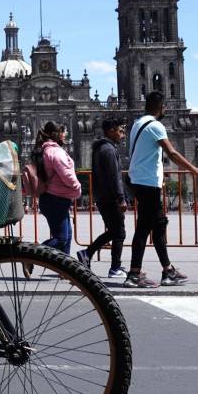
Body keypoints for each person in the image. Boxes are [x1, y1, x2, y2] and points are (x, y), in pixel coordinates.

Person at [125, 91, 198, 288]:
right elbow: (172, 152)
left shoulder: (137, 124)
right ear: (161, 107)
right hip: (148, 183)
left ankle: (167, 271)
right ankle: (135, 274)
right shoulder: (155, 126)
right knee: (146, 228)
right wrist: (194, 170)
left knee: (157, 225)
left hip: (140, 181)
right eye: (164, 107)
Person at [75, 118, 128, 278]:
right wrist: (121, 197)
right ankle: (115, 268)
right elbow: (114, 176)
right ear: (111, 131)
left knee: (114, 231)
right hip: (110, 197)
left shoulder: (100, 148)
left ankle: (87, 253)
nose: (123, 135)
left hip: (102, 196)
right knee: (119, 233)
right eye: (120, 131)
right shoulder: (109, 150)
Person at [33, 122, 81, 258]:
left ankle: (65, 269)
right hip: (56, 199)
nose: (65, 134)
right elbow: (67, 175)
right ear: (57, 134)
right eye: (63, 131)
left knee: (67, 235)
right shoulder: (55, 151)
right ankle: (31, 255)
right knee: (61, 239)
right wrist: (77, 189)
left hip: (53, 198)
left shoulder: (44, 149)